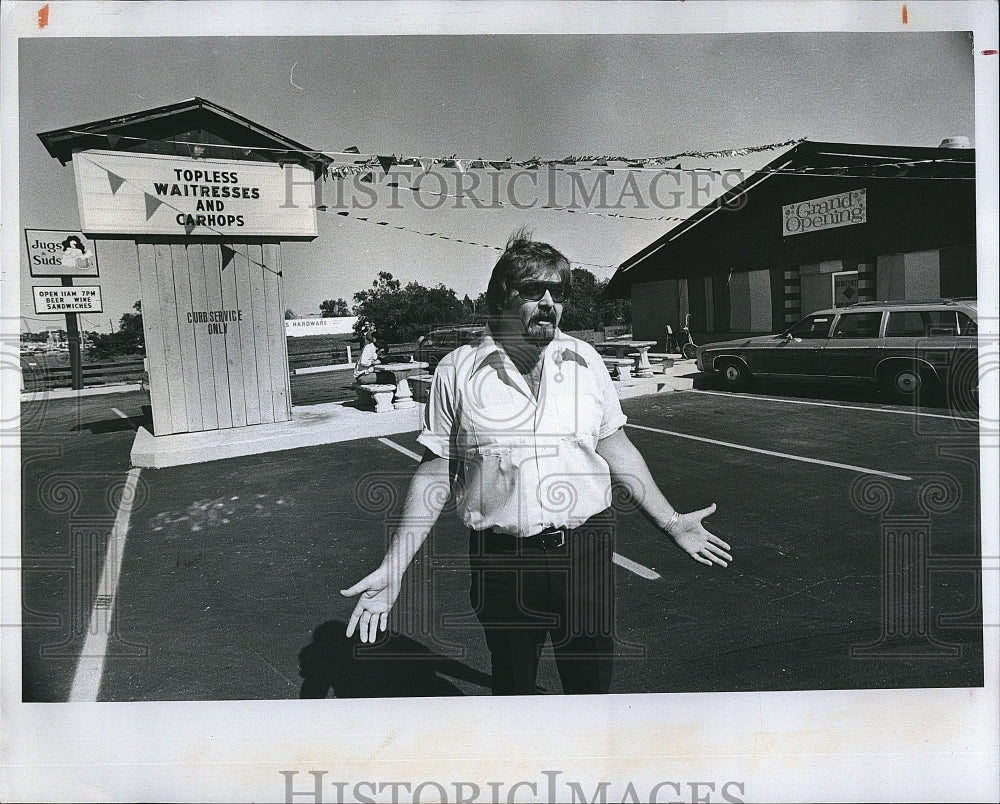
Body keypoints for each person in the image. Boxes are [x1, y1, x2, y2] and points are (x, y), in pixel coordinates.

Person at [341, 231, 732, 695]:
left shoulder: (585, 361)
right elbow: (435, 471)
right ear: (499, 297)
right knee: (514, 685)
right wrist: (395, 565)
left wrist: (671, 522)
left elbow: (616, 445)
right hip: (503, 561)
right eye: (532, 290)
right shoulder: (457, 371)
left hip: (585, 550)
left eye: (558, 292)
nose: (548, 302)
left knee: (591, 683)